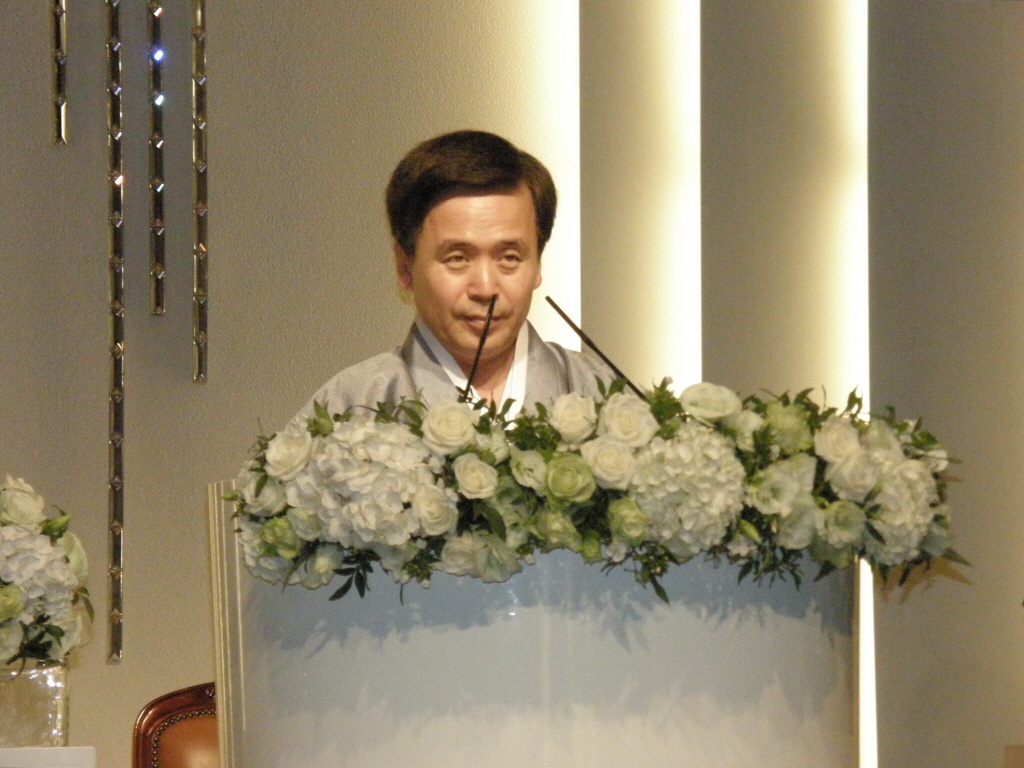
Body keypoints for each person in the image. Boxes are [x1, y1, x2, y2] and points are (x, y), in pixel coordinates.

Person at [293, 130, 612, 424]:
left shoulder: (602, 397)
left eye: (509, 258)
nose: (486, 288)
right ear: (405, 268)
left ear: (538, 264)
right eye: (457, 259)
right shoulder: (351, 407)